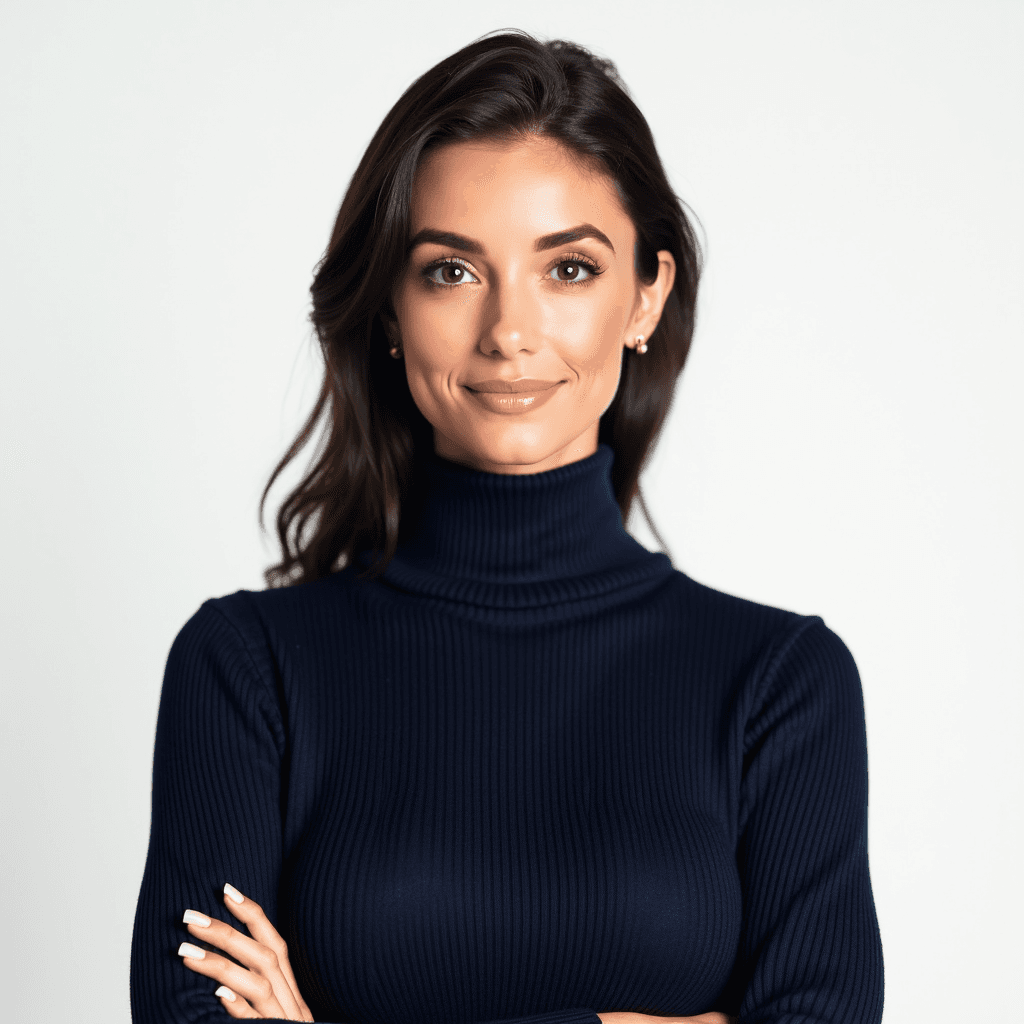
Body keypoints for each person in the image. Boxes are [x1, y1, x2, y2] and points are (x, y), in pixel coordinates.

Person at [130, 29, 884, 1024]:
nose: (508, 332)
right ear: (391, 309)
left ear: (644, 297)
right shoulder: (246, 671)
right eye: (451, 271)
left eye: (567, 269)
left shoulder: (780, 683)